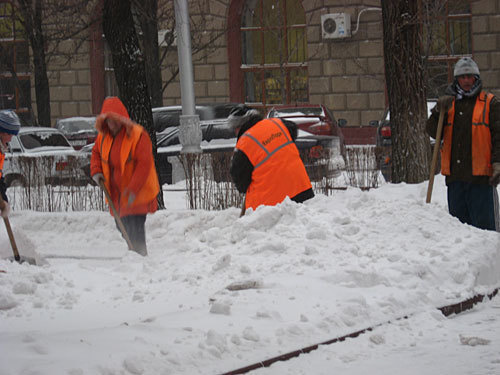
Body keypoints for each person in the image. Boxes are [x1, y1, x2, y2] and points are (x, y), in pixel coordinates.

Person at [426, 57, 500, 231]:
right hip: (455, 180)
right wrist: (437, 111)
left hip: (481, 179)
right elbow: (431, 131)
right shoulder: (449, 104)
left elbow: (499, 136)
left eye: (470, 76)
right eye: (462, 76)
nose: (467, 80)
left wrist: (497, 162)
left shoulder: (490, 103)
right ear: (456, 79)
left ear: (476, 78)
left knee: (485, 232)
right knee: (458, 234)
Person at [90, 97, 159, 255]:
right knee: (122, 227)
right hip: (117, 195)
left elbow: (144, 165)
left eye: (114, 120)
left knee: (135, 229)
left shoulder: (138, 136)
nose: (112, 125)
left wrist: (133, 189)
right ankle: (134, 256)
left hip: (137, 194)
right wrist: (96, 171)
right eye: (108, 121)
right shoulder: (103, 138)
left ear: (122, 119)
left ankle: (140, 257)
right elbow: (95, 153)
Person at [229, 104, 314, 212]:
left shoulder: (244, 143)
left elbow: (241, 183)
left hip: (270, 207)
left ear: (239, 126)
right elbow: (293, 129)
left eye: (234, 128)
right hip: (303, 191)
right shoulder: (277, 123)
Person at [0, 110, 21, 219]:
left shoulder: (1, 149)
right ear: (2, 132)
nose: (10, 138)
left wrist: (3, 198)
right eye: (10, 134)